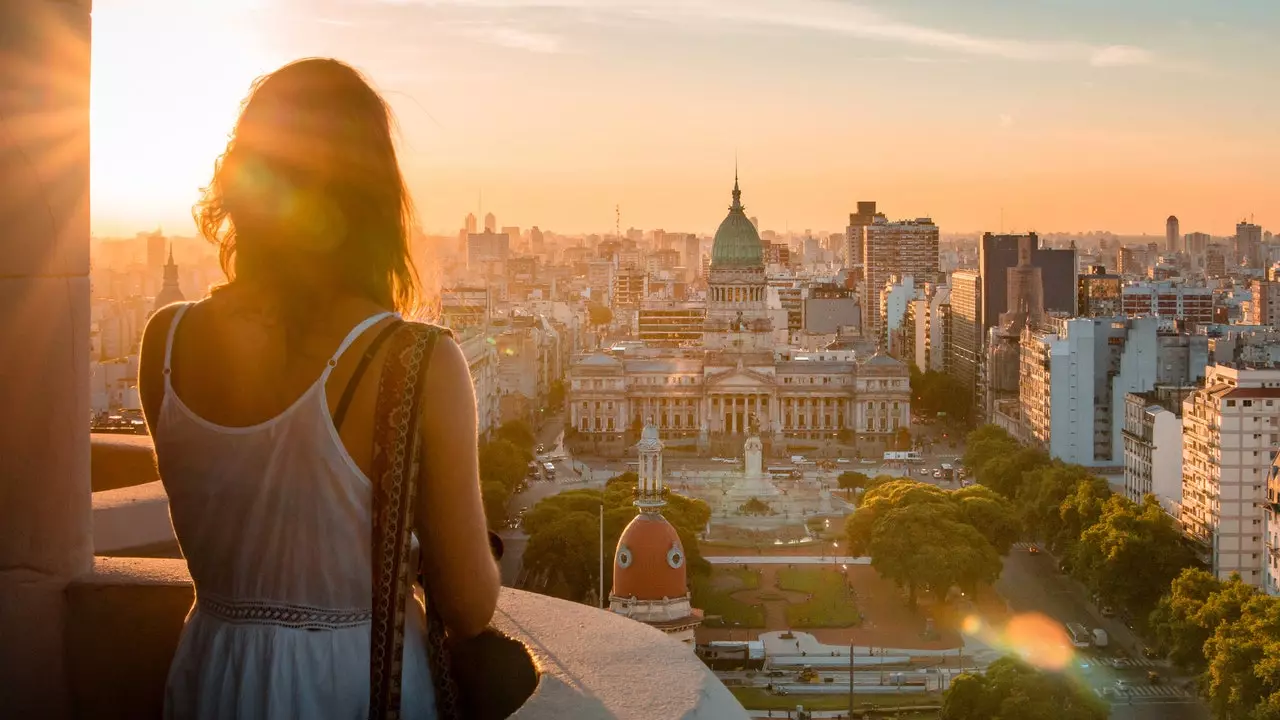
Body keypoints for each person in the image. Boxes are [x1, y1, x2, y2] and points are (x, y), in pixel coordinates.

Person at [139, 58, 500, 719]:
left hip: (212, 674)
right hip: (355, 685)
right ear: (373, 201)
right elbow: (472, 606)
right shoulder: (415, 361)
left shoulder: (165, 342)